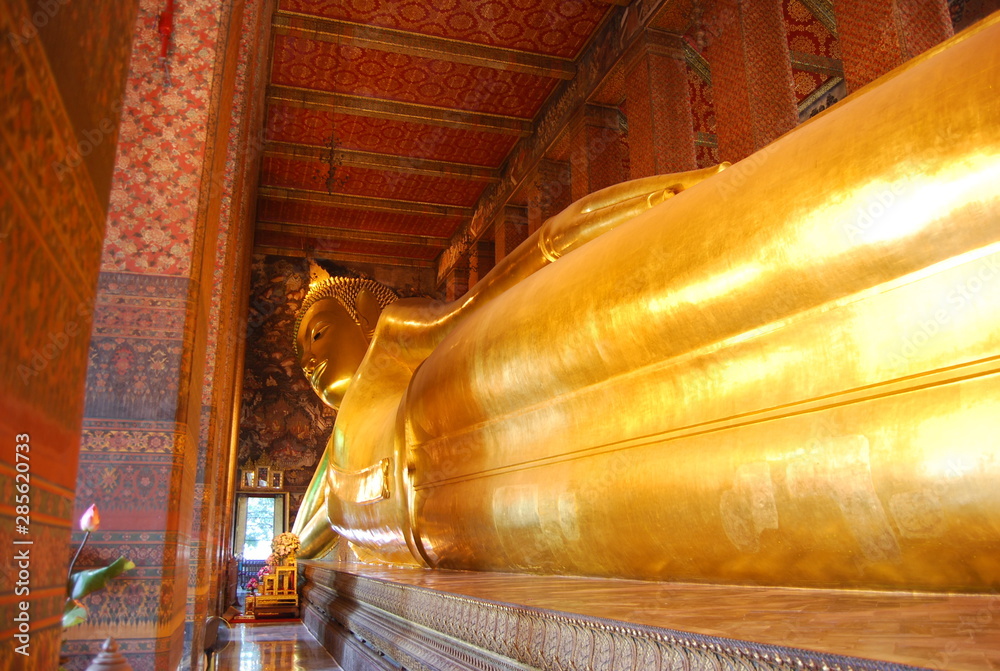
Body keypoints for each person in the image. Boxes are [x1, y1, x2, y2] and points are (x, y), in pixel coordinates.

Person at [294, 14, 1000, 592]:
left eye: (317, 334)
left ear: (363, 314)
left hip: (461, 383)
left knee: (707, 278)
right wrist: (289, 554)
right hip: (472, 510)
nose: (308, 362)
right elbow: (310, 531)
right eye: (301, 355)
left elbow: (494, 286)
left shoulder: (412, 339)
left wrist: (579, 228)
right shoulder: (336, 459)